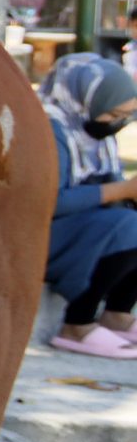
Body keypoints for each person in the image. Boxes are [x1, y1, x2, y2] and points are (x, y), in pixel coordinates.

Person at [41, 51, 137, 358]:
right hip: (43, 233)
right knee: (126, 225)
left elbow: (110, 182)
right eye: (112, 116)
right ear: (87, 100)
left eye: (126, 115)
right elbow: (49, 202)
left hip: (84, 226)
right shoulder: (52, 128)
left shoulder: (91, 128)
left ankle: (118, 314)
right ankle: (77, 325)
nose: (117, 124)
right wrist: (119, 190)